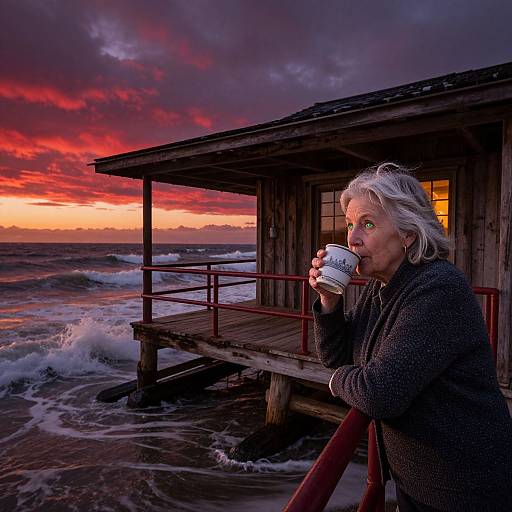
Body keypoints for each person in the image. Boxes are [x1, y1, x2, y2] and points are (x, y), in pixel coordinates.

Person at [309, 163, 512, 512]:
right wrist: (330, 301)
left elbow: (378, 394)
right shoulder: (382, 288)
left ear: (408, 234)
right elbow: (338, 354)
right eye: (350, 225)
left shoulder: (438, 288)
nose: (352, 238)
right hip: (419, 479)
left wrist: (335, 382)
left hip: (466, 488)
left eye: (367, 225)